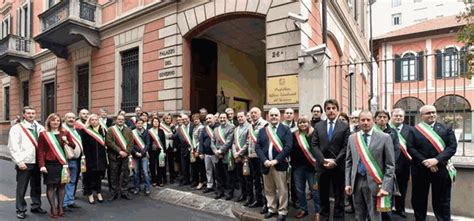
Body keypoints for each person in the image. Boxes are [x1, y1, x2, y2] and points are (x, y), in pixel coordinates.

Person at [408, 105, 457, 221]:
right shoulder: (414, 130)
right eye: (428, 113)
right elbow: (410, 148)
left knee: (442, 200)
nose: (432, 115)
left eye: (433, 112)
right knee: (419, 199)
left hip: (441, 169)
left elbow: (452, 147)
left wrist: (436, 160)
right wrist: (426, 163)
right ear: (421, 116)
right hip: (420, 170)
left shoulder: (446, 128)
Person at [345, 110, 395, 221]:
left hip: (376, 183)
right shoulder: (352, 138)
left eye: (368, 120)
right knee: (359, 215)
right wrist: (348, 183)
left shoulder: (385, 137)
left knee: (375, 216)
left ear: (373, 121)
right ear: (358, 121)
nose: (365, 122)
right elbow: (348, 162)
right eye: (363, 120)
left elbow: (390, 165)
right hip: (356, 182)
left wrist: (386, 187)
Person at [310, 99, 350, 221]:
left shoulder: (344, 126)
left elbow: (345, 146)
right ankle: (324, 217)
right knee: (323, 196)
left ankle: (338, 218)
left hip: (338, 167)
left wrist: (335, 161)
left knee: (339, 197)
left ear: (337, 110)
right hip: (322, 167)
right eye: (328, 108)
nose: (331, 110)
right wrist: (323, 161)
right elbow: (314, 145)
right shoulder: (318, 126)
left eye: (333, 108)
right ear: (325, 111)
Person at [8, 106, 47, 219]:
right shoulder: (17, 128)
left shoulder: (40, 127)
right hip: (25, 162)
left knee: (36, 186)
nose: (31, 115)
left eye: (33, 113)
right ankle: (20, 209)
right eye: (28, 113)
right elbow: (13, 146)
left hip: (38, 162)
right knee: (22, 187)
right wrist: (19, 161)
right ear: (24, 115)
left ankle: (36, 205)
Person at [256, 107, 293, 221]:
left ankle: (282, 211)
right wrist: (265, 160)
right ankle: (271, 208)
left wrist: (276, 160)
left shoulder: (286, 129)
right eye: (271, 115)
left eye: (276, 115)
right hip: (266, 165)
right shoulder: (263, 130)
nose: (273, 117)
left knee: (282, 189)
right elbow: (258, 147)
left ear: (280, 116)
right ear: (268, 117)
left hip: (280, 164)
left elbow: (288, 147)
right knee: (268, 189)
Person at [37, 113, 76, 218]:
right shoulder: (44, 134)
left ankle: (60, 207)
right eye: (53, 120)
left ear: (60, 122)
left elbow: (73, 145)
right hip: (49, 164)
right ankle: (53, 208)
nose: (55, 122)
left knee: (62, 186)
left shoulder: (65, 133)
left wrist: (66, 141)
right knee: (50, 186)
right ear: (49, 122)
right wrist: (42, 165)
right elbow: (40, 151)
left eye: (58, 120)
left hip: (62, 164)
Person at [291, 116, 321, 220]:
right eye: (300, 123)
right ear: (297, 124)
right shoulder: (294, 135)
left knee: (314, 191)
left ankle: (318, 212)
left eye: (304, 122)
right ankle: (304, 209)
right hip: (298, 167)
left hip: (312, 168)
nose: (302, 124)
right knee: (299, 190)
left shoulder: (314, 134)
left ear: (308, 123)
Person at [80, 114, 107, 204]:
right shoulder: (85, 131)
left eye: (96, 120)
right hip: (89, 157)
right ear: (89, 121)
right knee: (88, 177)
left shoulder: (102, 130)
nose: (94, 121)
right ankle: (90, 194)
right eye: (92, 120)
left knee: (98, 177)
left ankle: (99, 193)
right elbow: (83, 145)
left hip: (100, 157)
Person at [390, 108, 412, 218]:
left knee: (402, 188)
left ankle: (400, 209)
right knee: (387, 187)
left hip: (404, 165)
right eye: (396, 115)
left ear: (404, 117)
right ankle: (387, 209)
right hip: (389, 164)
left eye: (400, 116)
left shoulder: (410, 129)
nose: (398, 117)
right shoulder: (387, 129)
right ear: (391, 116)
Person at [106, 114, 134, 201]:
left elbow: (131, 143)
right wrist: (119, 151)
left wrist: (126, 152)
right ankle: (114, 192)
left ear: (124, 121)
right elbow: (109, 142)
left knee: (125, 175)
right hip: (114, 156)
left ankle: (124, 192)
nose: (121, 120)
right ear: (116, 120)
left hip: (125, 156)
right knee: (114, 175)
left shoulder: (128, 130)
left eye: (122, 119)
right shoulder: (111, 130)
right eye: (119, 119)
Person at [246, 107, 268, 209]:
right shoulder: (250, 125)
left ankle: (266, 202)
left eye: (255, 113)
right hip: (251, 156)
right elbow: (249, 141)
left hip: (261, 157)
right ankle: (258, 200)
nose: (253, 114)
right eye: (252, 113)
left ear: (260, 114)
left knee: (264, 180)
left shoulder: (265, 124)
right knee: (256, 180)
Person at [211, 112, 235, 200]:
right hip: (217, 156)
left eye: (224, 118)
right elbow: (212, 142)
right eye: (220, 118)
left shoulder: (231, 128)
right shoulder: (216, 129)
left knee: (228, 176)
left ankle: (229, 193)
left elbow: (229, 142)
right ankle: (220, 192)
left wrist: (220, 151)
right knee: (218, 175)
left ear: (227, 118)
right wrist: (215, 151)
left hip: (226, 155)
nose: (222, 119)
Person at [62, 113, 83, 211]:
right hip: (65, 161)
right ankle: (63, 203)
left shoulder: (76, 130)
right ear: (65, 119)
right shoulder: (61, 129)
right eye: (69, 117)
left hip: (76, 160)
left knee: (72, 181)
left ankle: (70, 201)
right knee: (63, 182)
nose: (71, 119)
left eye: (73, 118)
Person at [232, 111, 251, 203]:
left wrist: (239, 153)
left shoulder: (250, 127)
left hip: (246, 157)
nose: (240, 118)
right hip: (237, 157)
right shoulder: (236, 129)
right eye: (238, 117)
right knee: (240, 178)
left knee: (247, 179)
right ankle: (243, 194)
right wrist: (234, 153)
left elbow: (248, 143)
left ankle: (249, 196)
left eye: (241, 116)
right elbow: (233, 143)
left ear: (246, 117)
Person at [199, 114, 219, 193]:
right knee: (208, 170)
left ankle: (218, 186)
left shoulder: (218, 128)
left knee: (217, 171)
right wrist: (201, 151)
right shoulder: (204, 129)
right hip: (207, 154)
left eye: (210, 118)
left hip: (215, 154)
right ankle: (209, 185)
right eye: (207, 119)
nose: (208, 120)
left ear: (214, 119)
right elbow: (201, 141)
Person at [131, 119, 151, 195]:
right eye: (138, 123)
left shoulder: (146, 132)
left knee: (145, 172)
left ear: (143, 124)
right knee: (136, 172)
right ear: (136, 124)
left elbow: (148, 144)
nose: (139, 124)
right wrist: (135, 152)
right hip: (135, 155)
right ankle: (137, 187)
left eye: (141, 123)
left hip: (144, 155)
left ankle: (147, 188)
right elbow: (131, 144)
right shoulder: (133, 132)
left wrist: (142, 153)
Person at [173, 114, 194, 186]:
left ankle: (194, 180)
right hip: (183, 149)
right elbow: (174, 136)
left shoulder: (193, 126)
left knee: (193, 166)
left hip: (192, 149)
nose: (185, 120)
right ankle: (186, 180)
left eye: (186, 119)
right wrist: (167, 135)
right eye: (183, 119)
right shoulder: (179, 128)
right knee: (184, 166)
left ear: (189, 118)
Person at [149, 117, 167, 186]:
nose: (156, 123)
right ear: (152, 123)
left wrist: (164, 151)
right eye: (154, 121)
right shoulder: (150, 131)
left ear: (159, 123)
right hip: (152, 151)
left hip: (160, 151)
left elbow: (163, 142)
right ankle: (154, 181)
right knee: (152, 166)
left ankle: (160, 181)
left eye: (157, 121)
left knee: (160, 166)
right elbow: (148, 142)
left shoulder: (161, 131)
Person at [191, 113, 206, 189]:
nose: (195, 121)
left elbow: (201, 140)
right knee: (195, 166)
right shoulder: (194, 128)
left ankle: (202, 181)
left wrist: (198, 151)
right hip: (194, 149)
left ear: (200, 119)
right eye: (194, 120)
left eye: (196, 119)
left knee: (201, 167)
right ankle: (196, 181)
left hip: (199, 150)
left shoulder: (202, 128)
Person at [161, 113, 176, 184]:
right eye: (166, 118)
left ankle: (172, 178)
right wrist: (169, 135)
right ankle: (164, 179)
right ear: (164, 119)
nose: (168, 119)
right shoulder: (161, 126)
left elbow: (175, 136)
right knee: (163, 163)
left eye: (169, 118)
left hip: (171, 146)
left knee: (171, 163)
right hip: (164, 146)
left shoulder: (173, 126)